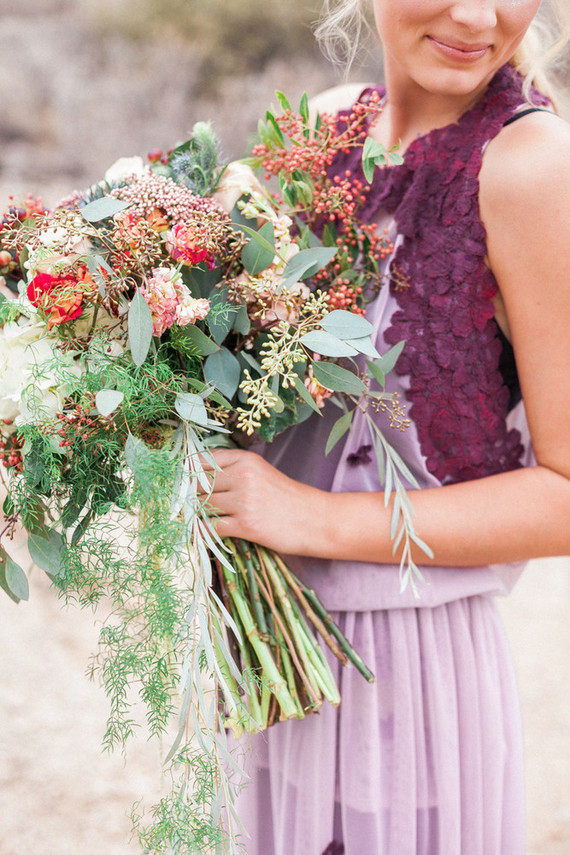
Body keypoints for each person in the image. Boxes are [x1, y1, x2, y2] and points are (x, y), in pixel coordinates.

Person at [208, 1, 570, 853]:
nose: (478, 14)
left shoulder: (533, 168)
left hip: (407, 675)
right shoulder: (327, 128)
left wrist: (310, 516)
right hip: (273, 657)